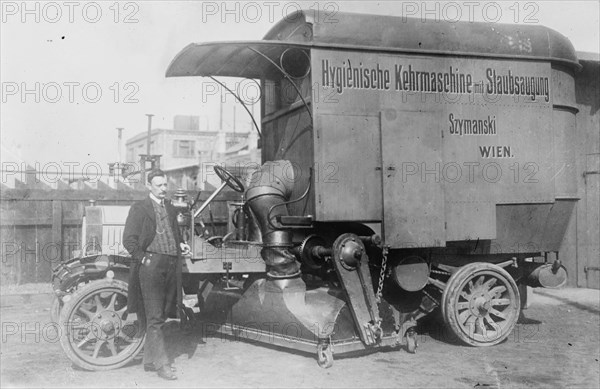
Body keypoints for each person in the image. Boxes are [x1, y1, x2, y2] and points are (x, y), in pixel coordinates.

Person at [123, 169, 190, 380]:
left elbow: (174, 233)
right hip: (151, 265)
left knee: (160, 314)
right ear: (149, 186)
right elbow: (129, 240)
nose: (163, 189)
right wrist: (143, 259)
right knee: (155, 316)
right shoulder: (139, 208)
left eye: (165, 185)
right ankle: (163, 365)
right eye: (159, 185)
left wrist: (181, 245)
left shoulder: (169, 207)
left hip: (170, 264)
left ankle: (150, 360)